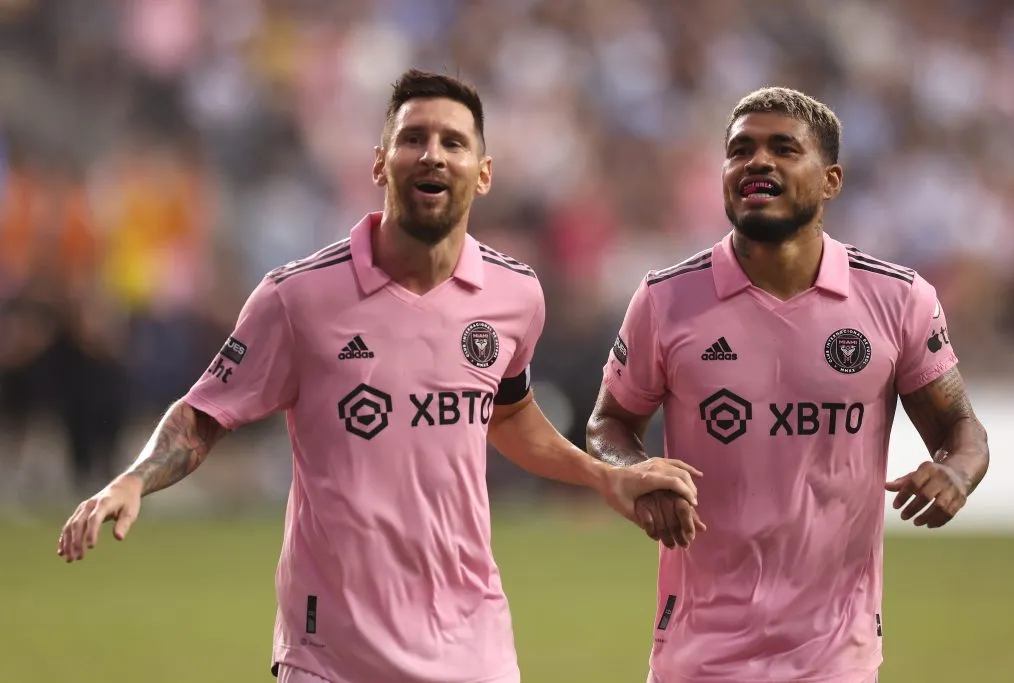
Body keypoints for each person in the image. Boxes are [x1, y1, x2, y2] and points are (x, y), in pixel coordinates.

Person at [56, 69, 701, 683]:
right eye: (413, 137)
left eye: (453, 141)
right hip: (333, 650)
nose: (432, 154)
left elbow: (505, 414)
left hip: (472, 643)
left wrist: (604, 477)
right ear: (378, 162)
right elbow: (206, 412)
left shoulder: (515, 295)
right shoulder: (298, 298)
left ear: (483, 174)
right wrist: (136, 478)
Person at [586, 87, 990, 683]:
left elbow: (961, 428)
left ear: (831, 181)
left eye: (782, 148)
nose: (757, 161)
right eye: (740, 149)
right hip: (697, 654)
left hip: (837, 655)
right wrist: (637, 476)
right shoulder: (666, 299)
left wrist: (955, 472)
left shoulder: (896, 298)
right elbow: (608, 424)